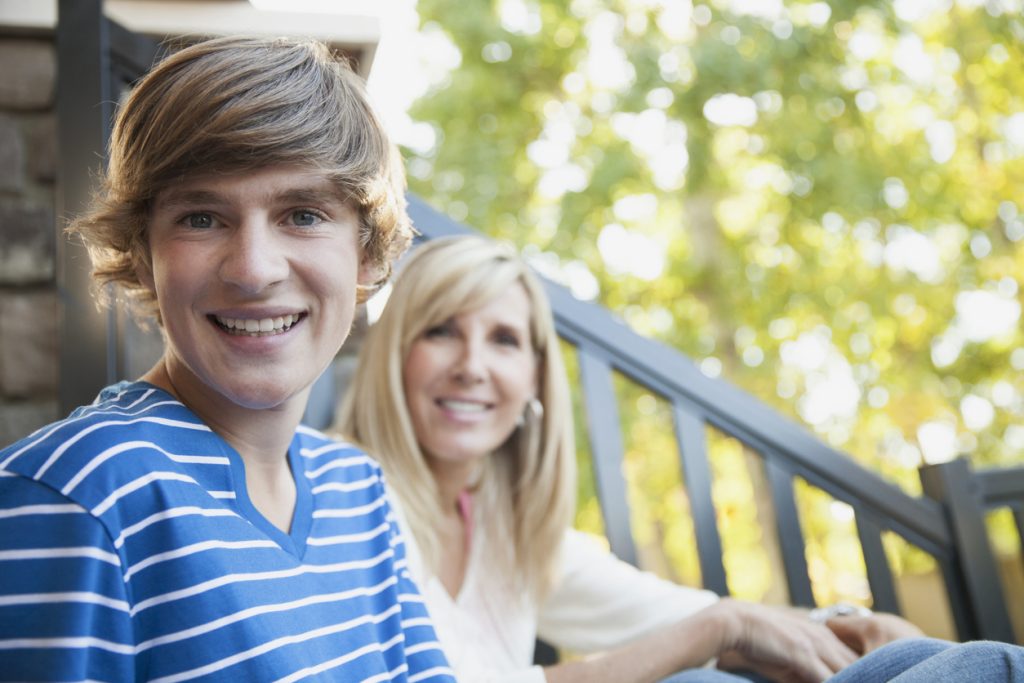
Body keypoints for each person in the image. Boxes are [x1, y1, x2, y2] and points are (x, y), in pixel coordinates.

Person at [336, 235, 1024, 683]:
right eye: (441, 331)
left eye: (505, 340)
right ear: (395, 353)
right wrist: (718, 628)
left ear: (535, 383)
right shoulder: (339, 494)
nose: (473, 366)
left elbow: (677, 614)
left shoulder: (509, 527)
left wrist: (848, 623)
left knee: (908, 662)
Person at [0, 36, 454, 682]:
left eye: (302, 213)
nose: (253, 269)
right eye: (202, 218)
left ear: (369, 254)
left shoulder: (357, 490)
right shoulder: (78, 496)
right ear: (142, 253)